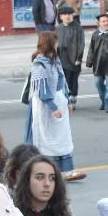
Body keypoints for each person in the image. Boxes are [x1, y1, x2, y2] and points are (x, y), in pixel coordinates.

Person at [27, 31, 84, 180]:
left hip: (59, 101)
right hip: (45, 107)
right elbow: (41, 90)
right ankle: (46, 171)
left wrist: (68, 101)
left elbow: (63, 81)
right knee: (46, 139)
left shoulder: (55, 60)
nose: (58, 44)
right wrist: (53, 107)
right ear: (49, 44)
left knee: (62, 137)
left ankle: (66, 170)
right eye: (55, 42)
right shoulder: (39, 64)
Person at [56, 6, 84, 111]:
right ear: (61, 17)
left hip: (73, 58)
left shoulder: (77, 28)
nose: (67, 17)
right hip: (61, 58)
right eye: (65, 15)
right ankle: (65, 101)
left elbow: (81, 44)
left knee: (73, 81)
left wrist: (79, 58)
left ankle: (73, 100)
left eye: (69, 14)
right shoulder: (58, 28)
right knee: (64, 81)